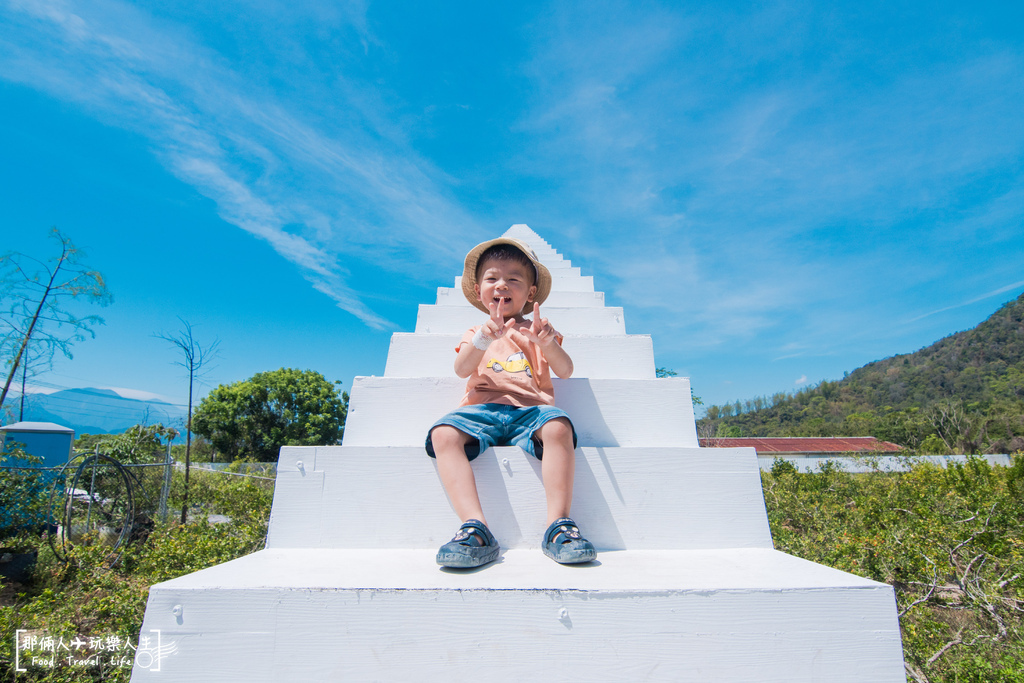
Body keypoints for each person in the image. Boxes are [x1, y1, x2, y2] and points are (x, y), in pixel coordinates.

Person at [425, 237, 597, 568]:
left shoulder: (538, 330)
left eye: (514, 279)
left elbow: (566, 369)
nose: (502, 285)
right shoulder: (476, 330)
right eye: (492, 278)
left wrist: (547, 343)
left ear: (530, 293)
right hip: (482, 411)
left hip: (530, 411)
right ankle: (474, 526)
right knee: (442, 433)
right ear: (479, 291)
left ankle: (558, 525)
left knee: (559, 425)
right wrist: (483, 339)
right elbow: (461, 369)